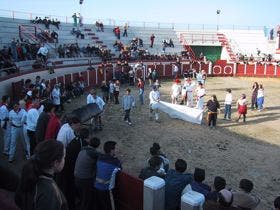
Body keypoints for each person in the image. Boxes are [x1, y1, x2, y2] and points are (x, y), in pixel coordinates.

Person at [15, 140, 68, 210]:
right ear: (55, 163)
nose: (64, 160)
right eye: (64, 157)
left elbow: (18, 199)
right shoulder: (49, 194)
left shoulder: (31, 174)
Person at [57, 128, 89, 210]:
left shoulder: (75, 140)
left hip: (66, 166)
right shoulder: (82, 144)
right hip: (69, 168)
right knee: (70, 188)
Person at [74, 137, 101, 210]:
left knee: (83, 198)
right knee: (87, 200)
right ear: (98, 146)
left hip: (76, 177)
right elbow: (102, 158)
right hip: (85, 180)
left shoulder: (83, 149)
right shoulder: (93, 153)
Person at [94, 141, 122, 210]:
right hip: (106, 190)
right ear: (112, 150)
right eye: (116, 148)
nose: (117, 150)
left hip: (95, 187)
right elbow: (120, 170)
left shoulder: (100, 157)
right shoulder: (115, 162)